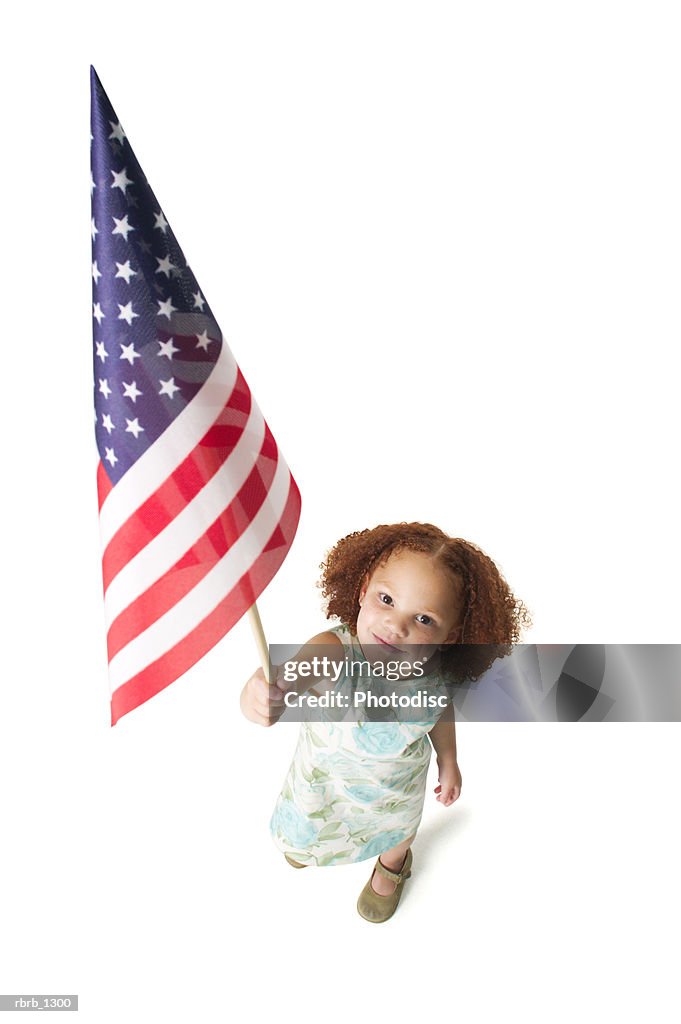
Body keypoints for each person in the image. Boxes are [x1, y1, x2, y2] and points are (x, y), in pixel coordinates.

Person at [240, 522, 531, 923]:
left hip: (397, 790)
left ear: (451, 635)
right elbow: (294, 673)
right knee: (306, 824)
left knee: (398, 831)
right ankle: (309, 847)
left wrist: (449, 760)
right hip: (328, 782)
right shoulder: (335, 653)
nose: (397, 625)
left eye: (425, 619)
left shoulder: (436, 673)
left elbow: (438, 713)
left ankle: (392, 866)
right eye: (387, 598)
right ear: (362, 591)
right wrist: (263, 693)